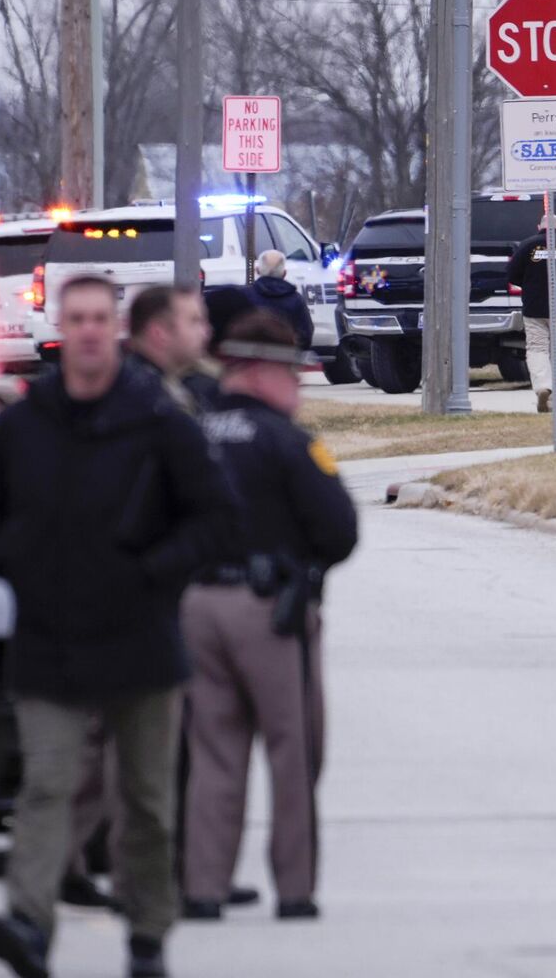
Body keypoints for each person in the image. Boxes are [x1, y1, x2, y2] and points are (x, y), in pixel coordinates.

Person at [0, 275, 237, 978]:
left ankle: (147, 936)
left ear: (116, 328)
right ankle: (28, 925)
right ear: (62, 326)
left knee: (147, 801)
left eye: (100, 318)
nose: (89, 330)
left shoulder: (157, 419)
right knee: (46, 787)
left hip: (141, 637)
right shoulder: (27, 422)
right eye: (77, 318)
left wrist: (156, 570)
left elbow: (216, 516)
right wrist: (17, 564)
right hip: (49, 638)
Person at [180, 311, 358, 921]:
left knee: (213, 753)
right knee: (294, 750)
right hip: (271, 613)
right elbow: (339, 529)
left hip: (197, 607)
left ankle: (202, 887)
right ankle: (295, 888)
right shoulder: (287, 440)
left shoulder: (192, 432)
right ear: (260, 372)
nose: (299, 386)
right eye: (292, 374)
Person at [505, 214, 556, 413]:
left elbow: (512, 274)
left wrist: (529, 282)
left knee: (537, 348)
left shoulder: (527, 246)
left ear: (539, 227)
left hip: (535, 308)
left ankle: (543, 386)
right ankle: (555, 394)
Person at [127, 284, 219, 413]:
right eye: (194, 321)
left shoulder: (183, 381)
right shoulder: (139, 397)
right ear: (159, 333)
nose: (207, 331)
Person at [246, 249, 313, 350]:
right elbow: (306, 334)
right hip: (287, 360)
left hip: (252, 360)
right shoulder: (296, 300)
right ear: (284, 273)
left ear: (257, 270)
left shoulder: (245, 297)